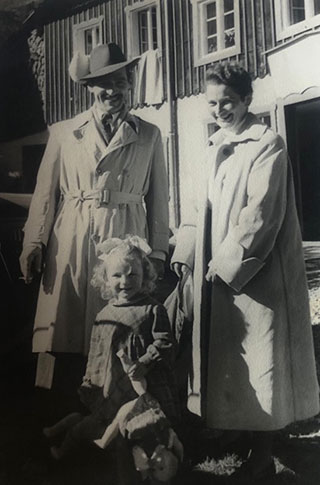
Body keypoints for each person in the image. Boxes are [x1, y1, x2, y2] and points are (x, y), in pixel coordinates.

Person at [171, 62, 320, 479]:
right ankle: (237, 434)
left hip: (258, 272)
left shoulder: (267, 143)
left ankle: (263, 454)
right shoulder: (213, 146)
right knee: (229, 358)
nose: (220, 110)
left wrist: (228, 261)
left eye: (229, 102)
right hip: (213, 268)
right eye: (213, 103)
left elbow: (261, 215)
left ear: (247, 100)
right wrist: (185, 256)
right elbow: (194, 207)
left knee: (260, 357)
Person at [19, 43, 169, 356]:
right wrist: (34, 242)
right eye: (104, 83)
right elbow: (45, 194)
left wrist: (156, 252)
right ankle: (63, 397)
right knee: (66, 326)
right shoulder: (64, 133)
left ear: (129, 83)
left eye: (120, 82)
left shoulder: (149, 134)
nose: (113, 91)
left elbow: (159, 199)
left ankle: (117, 401)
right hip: (73, 235)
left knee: (123, 328)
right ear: (90, 87)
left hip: (126, 234)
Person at [43, 236, 180, 460]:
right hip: (112, 383)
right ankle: (65, 446)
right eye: (117, 275)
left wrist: (144, 362)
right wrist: (91, 384)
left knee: (144, 421)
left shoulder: (153, 310)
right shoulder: (104, 315)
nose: (125, 281)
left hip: (144, 382)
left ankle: (148, 456)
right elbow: (96, 355)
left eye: (132, 274)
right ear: (106, 279)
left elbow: (165, 343)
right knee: (100, 420)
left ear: (145, 276)